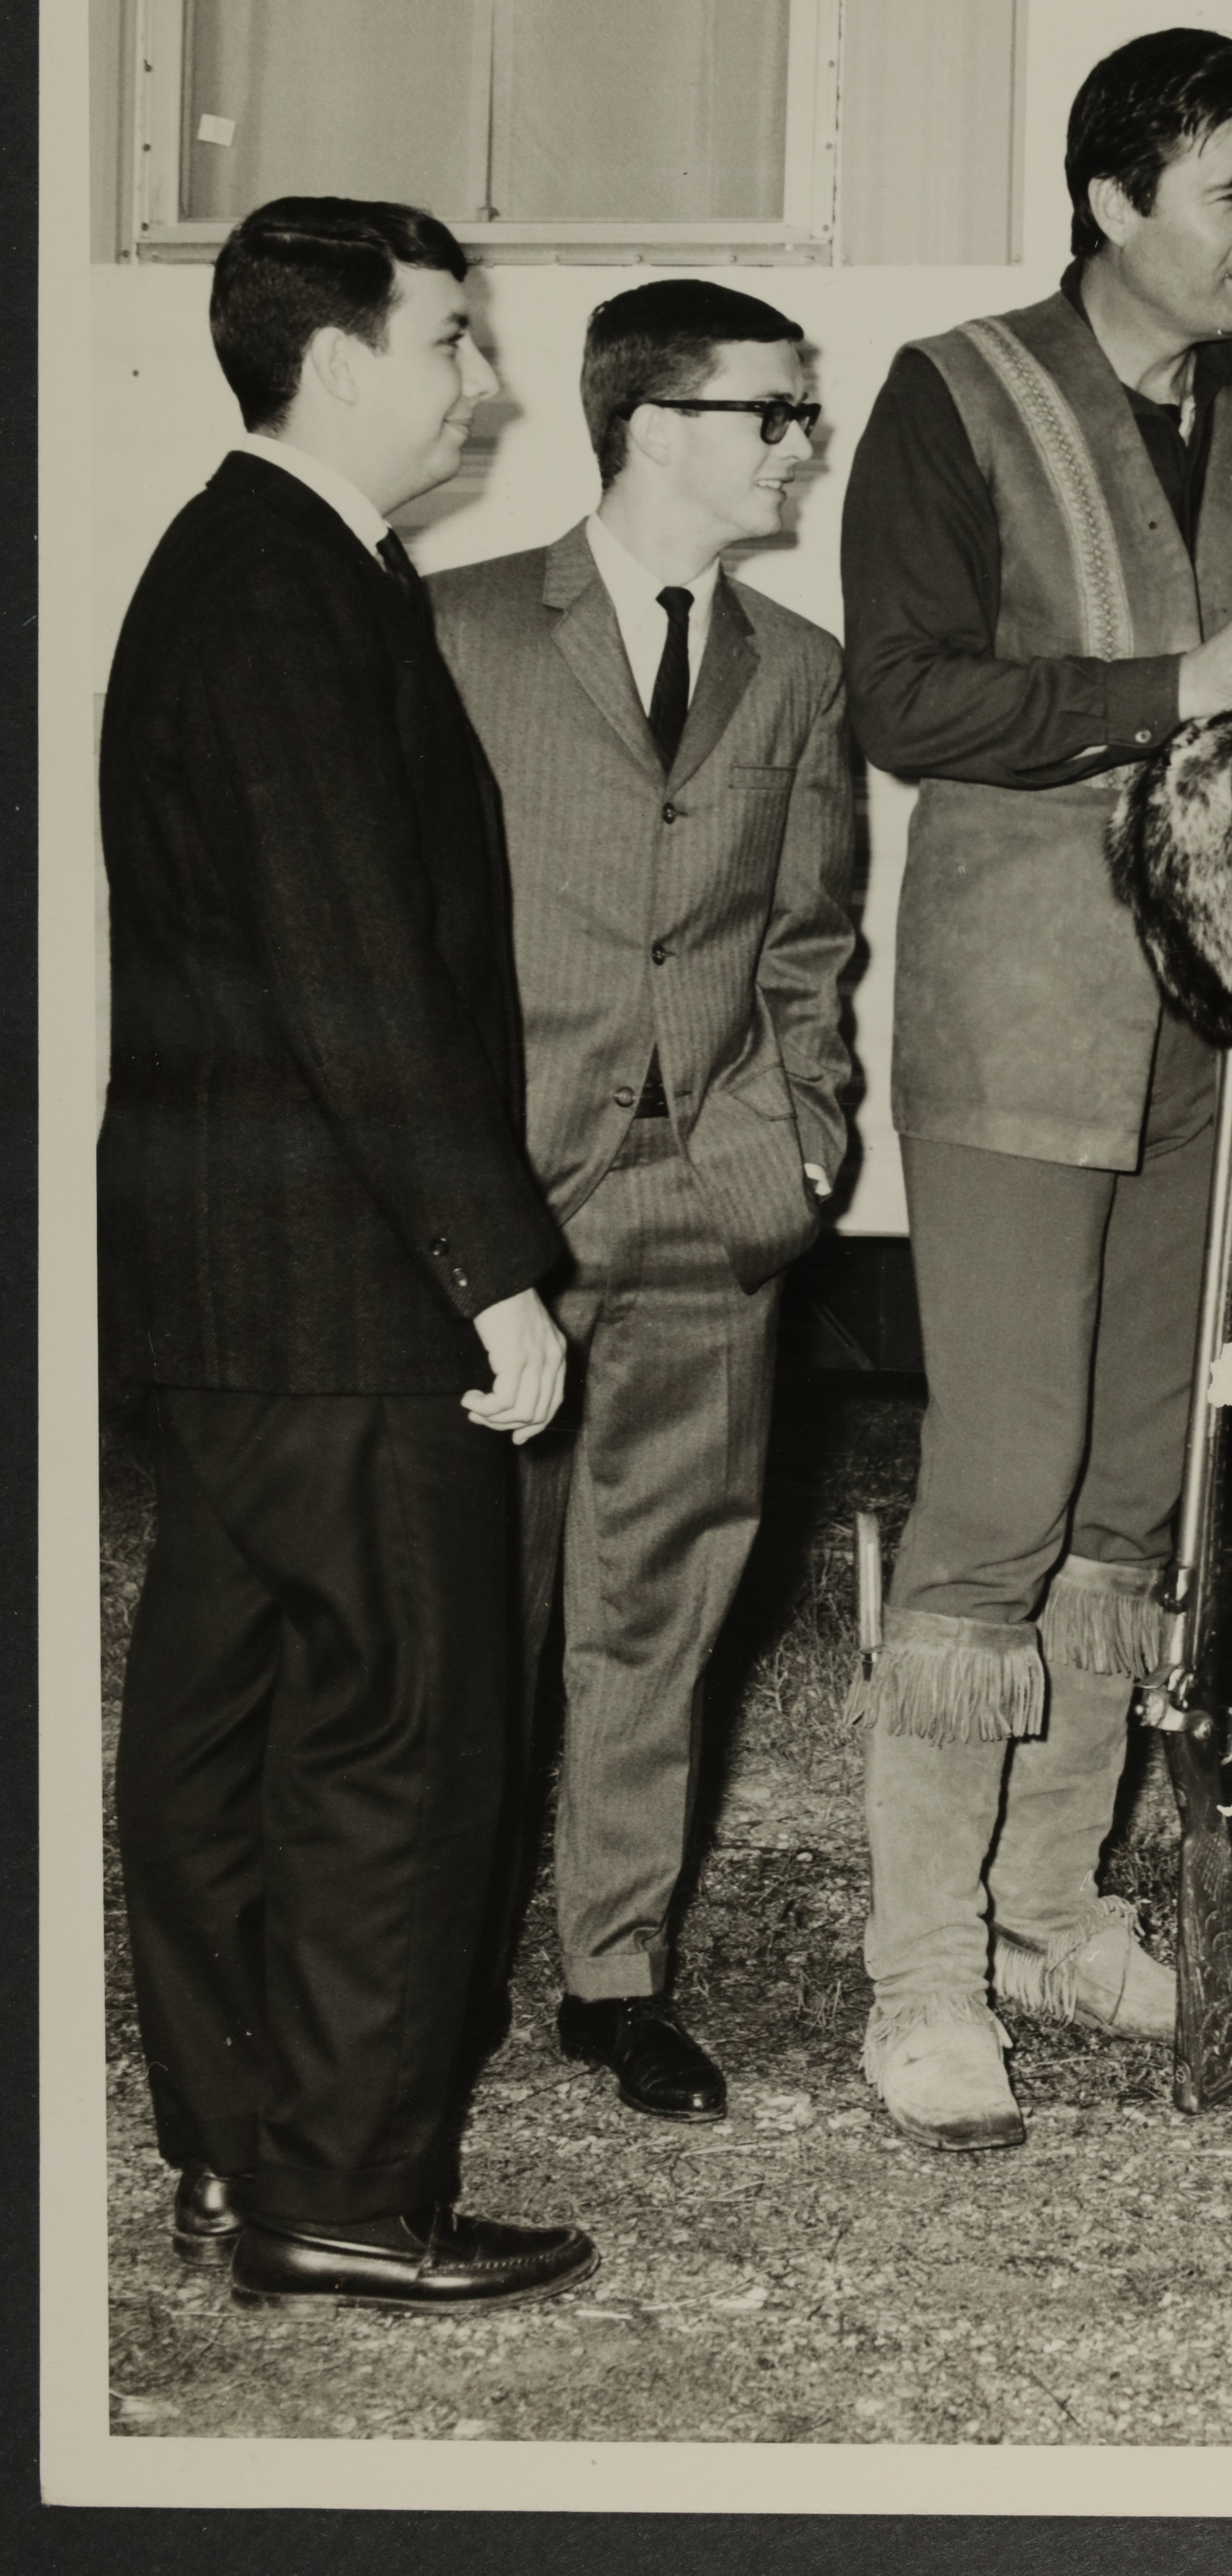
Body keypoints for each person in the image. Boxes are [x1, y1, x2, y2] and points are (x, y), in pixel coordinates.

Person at [840, 26, 1232, 2149]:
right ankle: (918, 1980)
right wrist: (1175, 690)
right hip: (1014, 1017)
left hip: (1218, 1044)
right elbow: (905, 696)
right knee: (999, 1489)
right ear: (1113, 202)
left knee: (1137, 1493)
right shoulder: (954, 392)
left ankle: (1049, 1907)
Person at [101, 196, 596, 2312]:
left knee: (223, 1717)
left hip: (232, 1287)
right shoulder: (289, 590)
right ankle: (346, 2191)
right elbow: (354, 976)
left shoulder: (255, 567)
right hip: (346, 1282)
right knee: (404, 1730)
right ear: (336, 361)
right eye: (457, 342)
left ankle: (235, 2155)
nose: (485, 383)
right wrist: (491, 1268)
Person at [429, 283, 855, 2124]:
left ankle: (614, 1978)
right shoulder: (451, 631)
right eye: (771, 413)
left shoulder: (801, 666)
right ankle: (428, 1969)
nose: (796, 446)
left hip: (706, 1214)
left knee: (656, 1609)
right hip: (490, 1211)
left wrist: (801, 1141)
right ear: (656, 424)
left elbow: (813, 940)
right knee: (458, 1613)